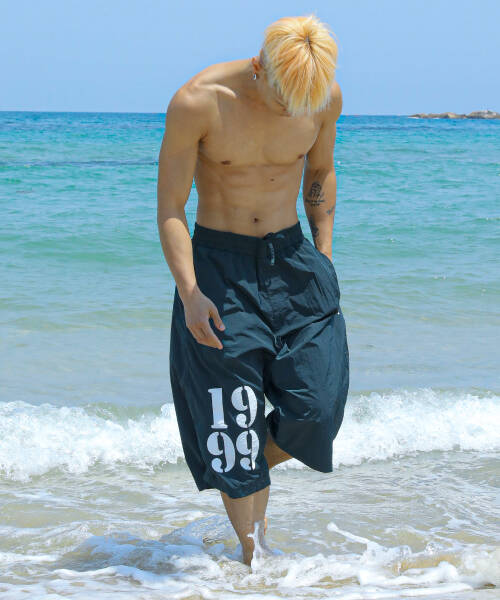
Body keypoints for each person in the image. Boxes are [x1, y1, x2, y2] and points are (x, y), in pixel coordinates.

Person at [157, 14, 349, 566]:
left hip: (294, 262)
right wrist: (190, 292)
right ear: (260, 67)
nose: (293, 109)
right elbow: (170, 206)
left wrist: (323, 255)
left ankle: (239, 463)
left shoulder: (322, 96)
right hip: (219, 268)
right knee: (232, 422)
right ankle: (253, 560)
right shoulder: (198, 102)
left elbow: (320, 170)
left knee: (317, 410)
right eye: (286, 97)